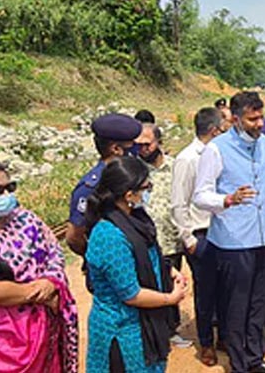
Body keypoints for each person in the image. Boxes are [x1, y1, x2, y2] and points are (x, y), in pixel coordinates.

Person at [193, 91, 265, 373]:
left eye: (261, 117)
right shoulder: (216, 149)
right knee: (237, 306)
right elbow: (200, 195)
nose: (260, 123)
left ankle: (254, 359)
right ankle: (239, 365)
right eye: (252, 119)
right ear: (236, 120)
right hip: (233, 242)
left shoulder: (264, 144)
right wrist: (226, 200)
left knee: (259, 302)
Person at [85, 156, 188, 373]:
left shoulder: (137, 219)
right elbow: (130, 294)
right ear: (129, 194)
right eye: (146, 187)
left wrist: (168, 269)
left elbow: (150, 256)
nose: (148, 191)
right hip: (122, 331)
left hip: (145, 325)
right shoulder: (109, 235)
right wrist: (171, 298)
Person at [0, 161, 79, 373]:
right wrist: (40, 292)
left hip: (44, 328)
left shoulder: (26, 220)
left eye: (11, 187)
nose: (7, 195)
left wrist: (50, 281)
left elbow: (54, 252)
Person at [170, 107, 226, 366]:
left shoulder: (220, 153)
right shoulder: (187, 158)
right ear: (215, 130)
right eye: (224, 125)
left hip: (224, 232)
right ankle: (206, 343)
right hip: (201, 235)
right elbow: (178, 203)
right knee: (205, 292)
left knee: (226, 287)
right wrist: (189, 239)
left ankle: (224, 335)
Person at [135, 123, 194, 349]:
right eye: (139, 145)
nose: (143, 149)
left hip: (175, 238)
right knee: (152, 286)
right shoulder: (135, 171)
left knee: (175, 283)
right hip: (148, 241)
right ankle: (157, 333)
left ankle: (173, 328)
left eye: (147, 144)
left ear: (159, 142)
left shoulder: (176, 167)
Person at [66, 114, 142, 287]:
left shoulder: (132, 176)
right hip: (110, 271)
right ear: (116, 149)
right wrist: (97, 255)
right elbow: (74, 236)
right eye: (132, 146)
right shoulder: (90, 187)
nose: (137, 150)